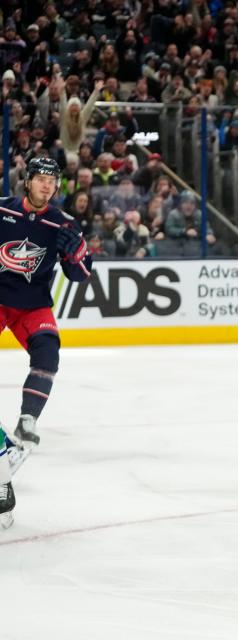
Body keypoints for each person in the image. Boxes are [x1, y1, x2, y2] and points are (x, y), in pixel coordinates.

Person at [1, 158, 93, 528]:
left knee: (48, 350)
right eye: (40, 180)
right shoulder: (3, 210)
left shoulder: (62, 223)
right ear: (28, 183)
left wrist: (78, 253)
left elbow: (81, 275)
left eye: (52, 182)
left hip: (33, 305)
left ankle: (27, 420)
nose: (46, 187)